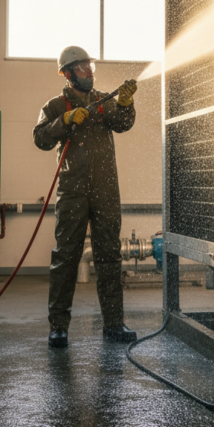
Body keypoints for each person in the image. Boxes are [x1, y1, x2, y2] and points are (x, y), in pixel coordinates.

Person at [33, 46, 139, 348]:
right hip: (72, 192)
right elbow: (40, 137)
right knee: (65, 258)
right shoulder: (55, 106)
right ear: (67, 74)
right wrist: (64, 120)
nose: (89, 73)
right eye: (82, 68)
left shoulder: (105, 101)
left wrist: (126, 103)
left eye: (91, 67)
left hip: (106, 191)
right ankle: (58, 327)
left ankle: (114, 324)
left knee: (109, 256)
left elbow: (123, 123)